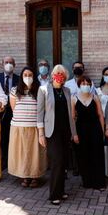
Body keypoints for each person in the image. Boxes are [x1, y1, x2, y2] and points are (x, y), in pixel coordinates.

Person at [37, 65, 77, 205]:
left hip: (65, 131)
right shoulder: (43, 90)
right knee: (57, 161)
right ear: (53, 74)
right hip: (51, 131)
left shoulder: (67, 90)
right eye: (57, 73)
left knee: (63, 162)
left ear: (65, 77)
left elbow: (70, 114)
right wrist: (41, 134)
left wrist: (74, 132)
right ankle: (54, 194)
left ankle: (61, 190)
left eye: (62, 74)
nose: (60, 75)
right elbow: (40, 113)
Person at [8, 67, 46, 188]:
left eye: (30, 75)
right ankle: (24, 175)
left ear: (34, 77)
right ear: (21, 76)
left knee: (34, 154)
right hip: (18, 127)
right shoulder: (14, 90)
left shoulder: (39, 90)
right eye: (25, 74)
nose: (28, 77)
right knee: (22, 153)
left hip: (34, 127)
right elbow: (13, 108)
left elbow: (42, 109)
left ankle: (35, 176)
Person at [71, 76, 106, 190]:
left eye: (87, 83)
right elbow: (72, 118)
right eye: (83, 83)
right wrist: (74, 134)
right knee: (84, 155)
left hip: (95, 129)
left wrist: (102, 131)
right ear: (79, 85)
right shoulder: (74, 98)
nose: (85, 85)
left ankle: (99, 183)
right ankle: (87, 180)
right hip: (81, 130)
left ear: (90, 85)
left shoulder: (95, 97)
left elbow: (100, 114)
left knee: (97, 155)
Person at [64, 61, 95, 176]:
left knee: (84, 143)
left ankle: (83, 167)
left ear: (83, 69)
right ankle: (73, 167)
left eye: (80, 67)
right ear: (72, 69)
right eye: (76, 67)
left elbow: (93, 98)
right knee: (73, 143)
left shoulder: (89, 83)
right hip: (72, 117)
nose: (78, 69)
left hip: (85, 118)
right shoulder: (67, 84)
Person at [0, 56, 20, 169]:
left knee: (12, 136)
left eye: (11, 62)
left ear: (14, 65)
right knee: (1, 137)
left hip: (13, 111)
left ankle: (12, 161)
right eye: (6, 62)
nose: (9, 64)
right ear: (2, 64)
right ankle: (3, 161)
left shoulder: (19, 79)